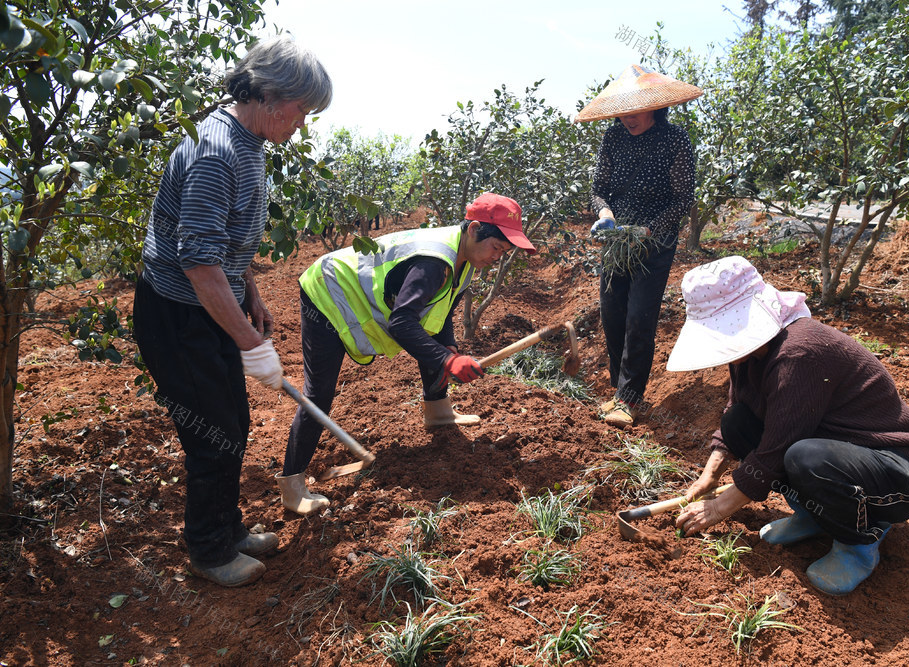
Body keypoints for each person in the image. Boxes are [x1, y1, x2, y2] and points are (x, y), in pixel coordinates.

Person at [132, 37, 332, 587]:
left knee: (231, 423)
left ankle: (227, 527)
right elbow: (198, 262)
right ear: (268, 95)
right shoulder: (218, 152)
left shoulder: (250, 142)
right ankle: (210, 550)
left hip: (210, 305)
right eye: (301, 110)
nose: (302, 123)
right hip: (178, 314)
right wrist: (250, 342)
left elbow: (224, 243)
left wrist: (252, 294)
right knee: (213, 433)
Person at [669, 256, 909, 595]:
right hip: (838, 452)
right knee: (737, 424)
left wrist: (717, 508)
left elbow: (775, 451)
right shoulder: (749, 353)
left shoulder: (799, 354)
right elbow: (737, 409)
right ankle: (816, 514)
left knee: (804, 458)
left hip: (896, 473)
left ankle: (859, 541)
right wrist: (710, 475)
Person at [278, 193, 536, 515]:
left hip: (354, 290)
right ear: (473, 230)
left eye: (504, 252)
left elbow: (440, 313)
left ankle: (438, 412)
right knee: (319, 392)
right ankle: (292, 487)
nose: (497, 257)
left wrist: (449, 348)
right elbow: (401, 323)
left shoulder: (465, 261)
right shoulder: (434, 264)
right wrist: (447, 360)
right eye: (496, 247)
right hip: (329, 291)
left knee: (436, 344)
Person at [574, 64, 702, 428]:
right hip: (617, 238)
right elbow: (599, 189)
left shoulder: (674, 139)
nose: (628, 118)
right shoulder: (613, 138)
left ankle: (629, 398)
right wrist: (605, 213)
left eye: (636, 111)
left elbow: (682, 199)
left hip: (655, 239)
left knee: (639, 316)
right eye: (623, 112)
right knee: (612, 312)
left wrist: (650, 229)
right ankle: (619, 390)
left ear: (655, 107)